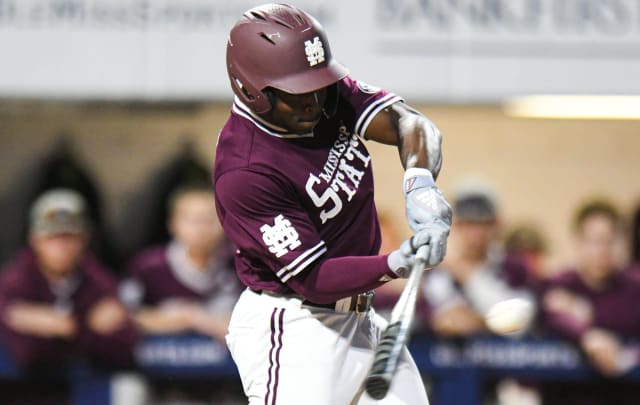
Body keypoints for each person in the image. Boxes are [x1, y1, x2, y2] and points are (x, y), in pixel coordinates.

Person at [214, 4, 452, 404]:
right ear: (253, 91)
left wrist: (420, 182)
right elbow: (314, 279)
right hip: (295, 327)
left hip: (362, 318)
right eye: (298, 92)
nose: (314, 101)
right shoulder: (245, 171)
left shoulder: (323, 93)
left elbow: (408, 123)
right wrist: (396, 262)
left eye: (318, 84)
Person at [540, 199, 640, 405]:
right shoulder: (561, 283)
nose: (601, 249)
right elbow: (550, 315)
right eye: (593, 240)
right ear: (578, 242)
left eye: (609, 240)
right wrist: (586, 336)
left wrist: (589, 312)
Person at [0, 189, 137, 369]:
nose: (61, 247)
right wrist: (89, 328)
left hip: (88, 390)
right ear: (35, 240)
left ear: (84, 239)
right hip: (21, 391)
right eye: (52, 238)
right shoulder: (15, 280)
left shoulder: (98, 280)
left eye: (70, 237)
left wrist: (67, 326)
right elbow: (28, 354)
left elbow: (125, 349)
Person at [121, 185, 243, 341]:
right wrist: (175, 320)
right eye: (193, 220)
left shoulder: (240, 264)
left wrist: (198, 318)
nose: (202, 229)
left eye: (210, 220)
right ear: (173, 224)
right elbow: (123, 316)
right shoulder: (148, 266)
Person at [423, 182, 534, 337]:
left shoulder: (514, 269)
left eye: (483, 224)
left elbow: (522, 320)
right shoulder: (438, 271)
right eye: (468, 224)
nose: (476, 233)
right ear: (456, 226)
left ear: (496, 225)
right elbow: (438, 315)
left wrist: (467, 275)